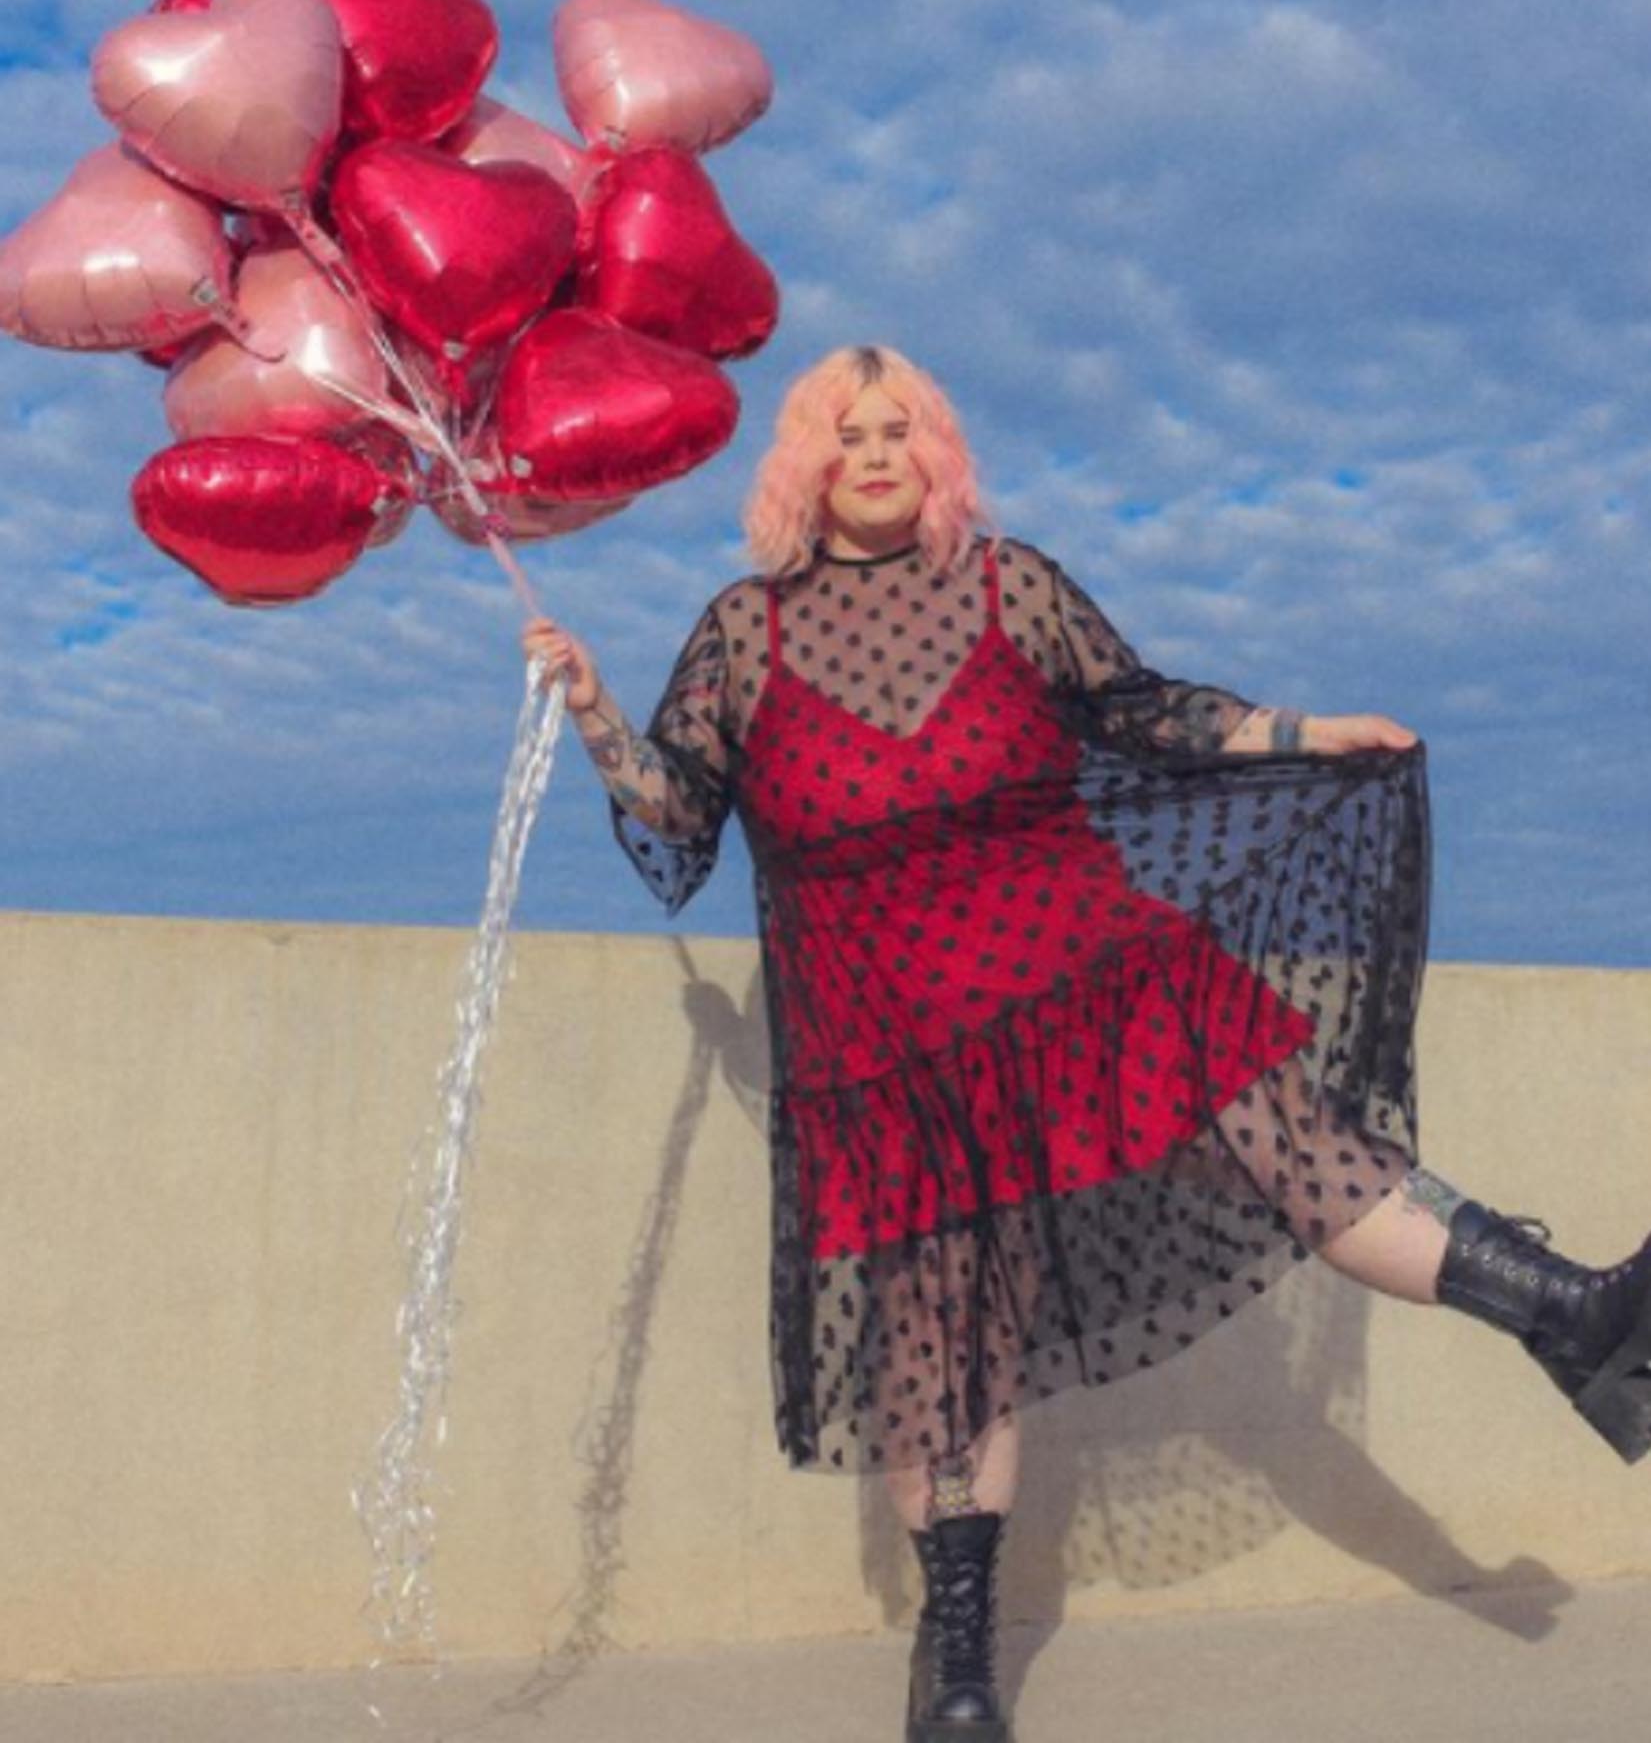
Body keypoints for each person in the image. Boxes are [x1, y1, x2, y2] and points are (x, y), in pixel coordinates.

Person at [522, 344, 1651, 1743]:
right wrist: (589, 707)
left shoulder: (1014, 587)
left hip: (1087, 975)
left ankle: (1573, 1311)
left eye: (900, 432)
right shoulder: (744, 632)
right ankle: (957, 1666)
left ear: (935, 456)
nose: (874, 456)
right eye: (844, 435)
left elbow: (1151, 714)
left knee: (1309, 1159)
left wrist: (1308, 729)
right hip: (891, 1045)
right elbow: (678, 810)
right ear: (802, 466)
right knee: (945, 1343)